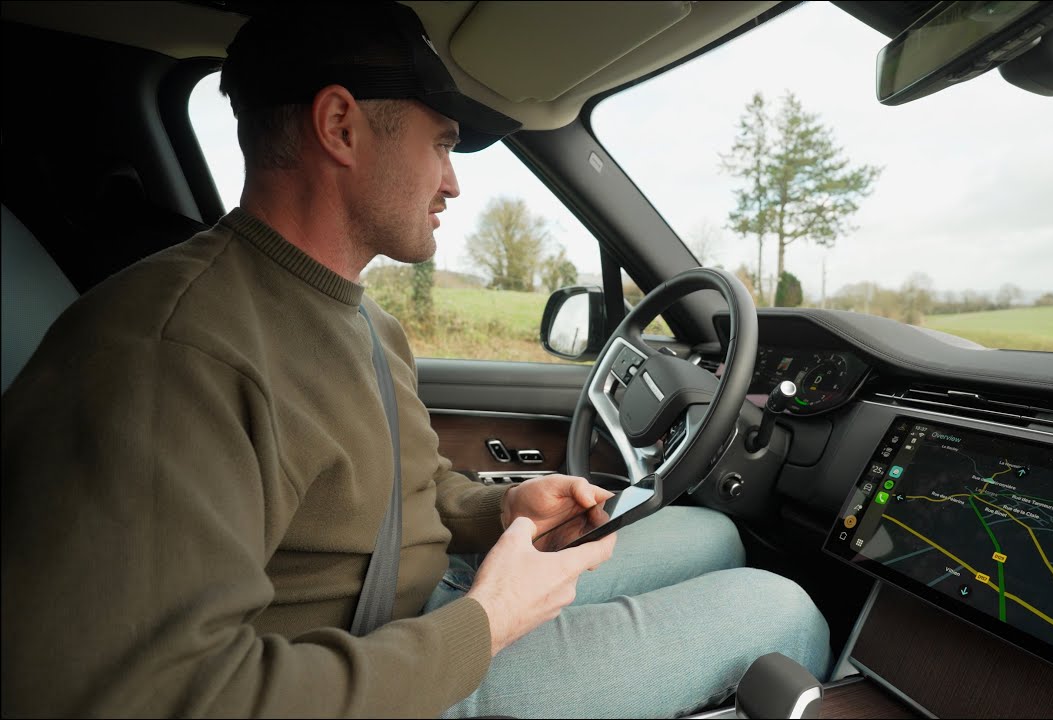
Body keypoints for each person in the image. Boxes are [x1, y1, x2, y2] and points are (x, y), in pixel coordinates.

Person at [0, 2, 830, 717]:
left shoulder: (361, 318)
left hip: (427, 613)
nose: (453, 182)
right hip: (381, 680)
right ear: (340, 127)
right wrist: (486, 624)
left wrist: (501, 511)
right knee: (781, 607)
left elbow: (411, 487)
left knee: (711, 532)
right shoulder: (167, 352)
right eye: (441, 143)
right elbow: (145, 695)